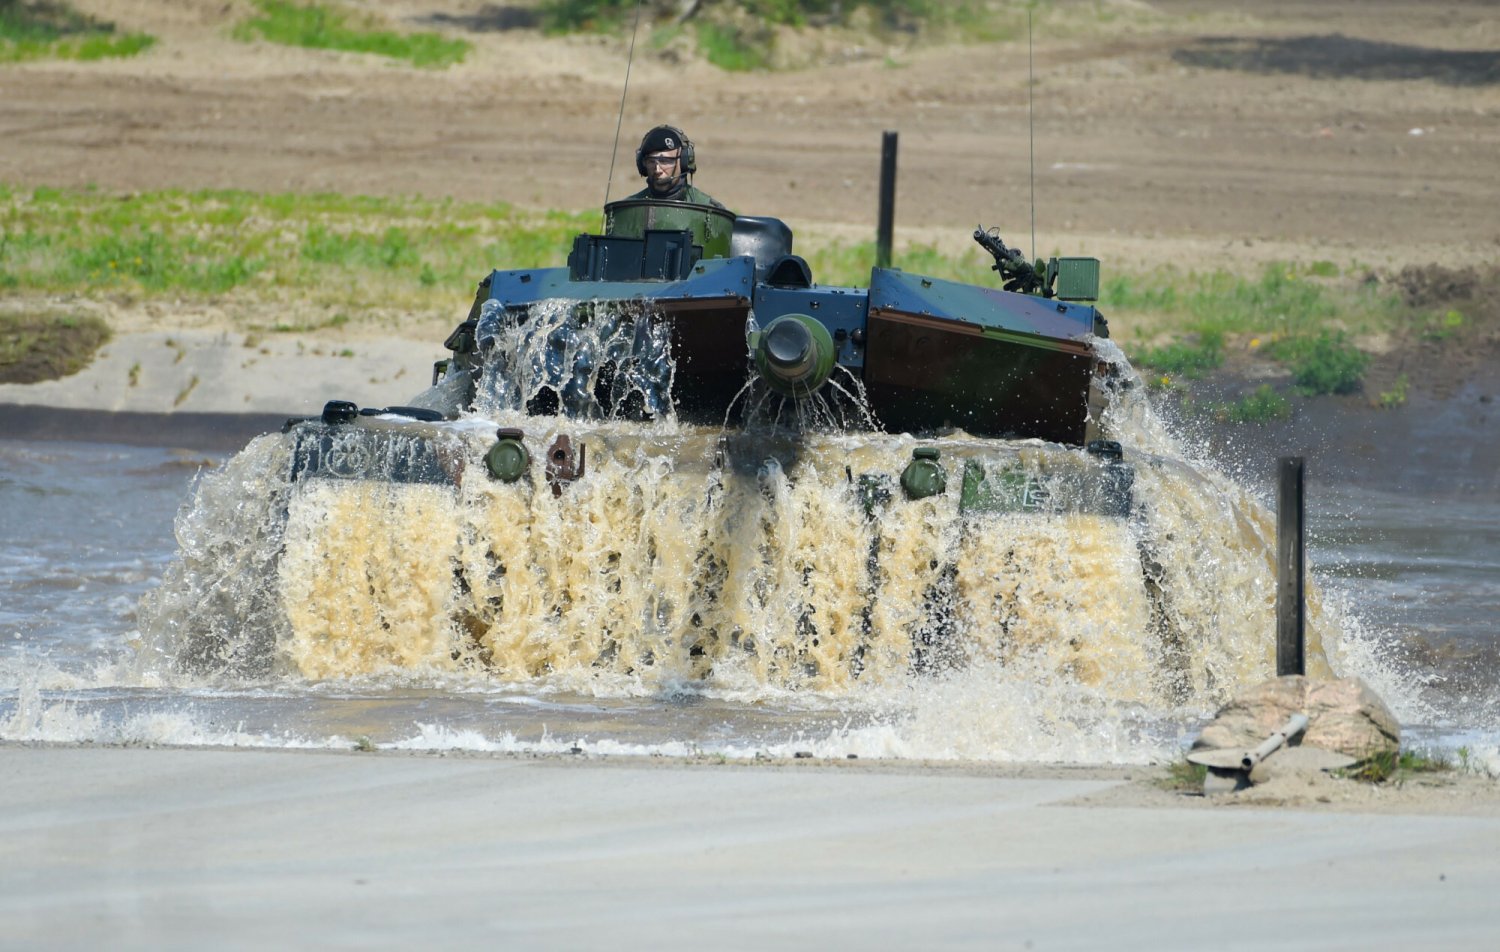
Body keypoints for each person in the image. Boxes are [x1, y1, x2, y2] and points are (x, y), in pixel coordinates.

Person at [627, 124, 726, 208]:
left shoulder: (707, 209)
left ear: (684, 161)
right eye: (651, 161)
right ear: (642, 164)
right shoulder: (629, 209)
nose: (657, 170)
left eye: (665, 161)